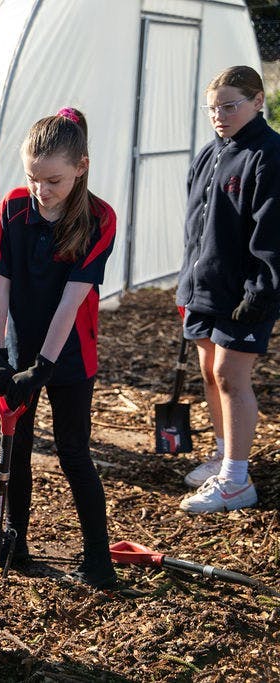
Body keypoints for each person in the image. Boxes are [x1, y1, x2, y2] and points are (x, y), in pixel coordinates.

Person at [0, 108, 118, 589]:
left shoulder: (100, 218)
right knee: (14, 448)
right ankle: (13, 542)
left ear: (81, 166)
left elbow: (71, 301)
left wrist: (43, 366)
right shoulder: (12, 207)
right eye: (33, 178)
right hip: (19, 348)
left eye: (54, 179)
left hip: (72, 353)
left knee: (73, 452)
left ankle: (98, 558)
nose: (42, 190)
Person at [175, 66, 280, 514]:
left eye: (230, 105)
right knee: (209, 374)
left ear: (258, 101)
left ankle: (238, 480)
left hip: (244, 294)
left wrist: (261, 289)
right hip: (205, 289)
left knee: (231, 377)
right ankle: (222, 456)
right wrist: (187, 281)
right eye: (213, 108)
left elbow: (273, 230)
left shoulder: (268, 154)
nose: (220, 115)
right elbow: (196, 225)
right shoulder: (210, 153)